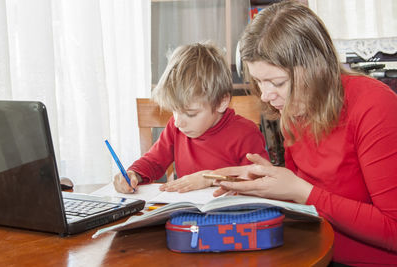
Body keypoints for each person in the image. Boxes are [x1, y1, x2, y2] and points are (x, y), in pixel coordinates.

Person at [210, 1, 397, 266]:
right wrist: (268, 183)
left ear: (315, 68)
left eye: (277, 82)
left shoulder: (374, 105)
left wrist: (302, 191)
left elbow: (393, 229)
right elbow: (310, 205)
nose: (265, 95)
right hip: (313, 254)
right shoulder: (293, 109)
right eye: (259, 81)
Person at [113, 42, 269, 194]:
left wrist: (211, 178)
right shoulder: (175, 126)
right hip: (185, 214)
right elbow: (153, 161)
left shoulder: (246, 134)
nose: (179, 122)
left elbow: (258, 180)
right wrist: (134, 174)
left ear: (222, 102)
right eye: (174, 110)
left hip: (230, 216)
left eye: (191, 113)